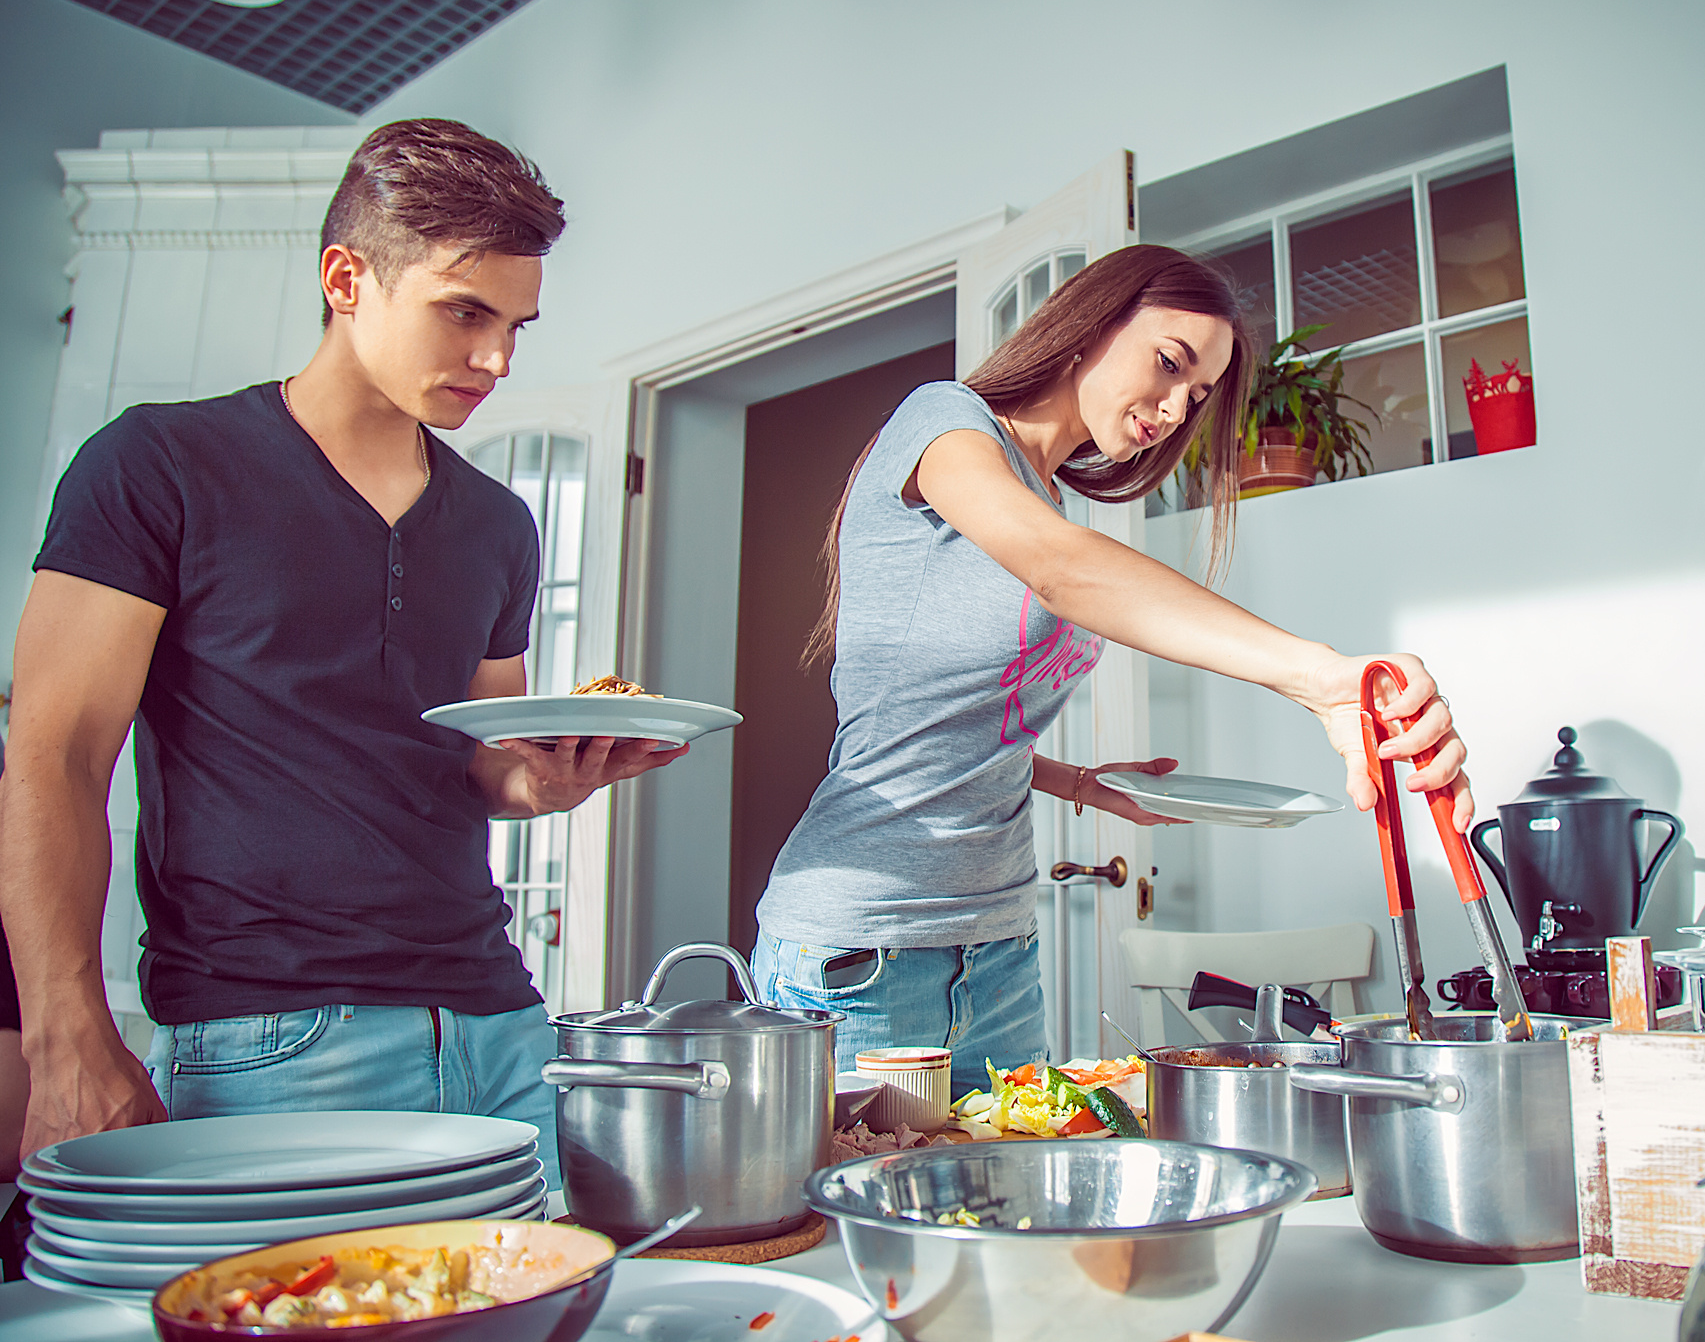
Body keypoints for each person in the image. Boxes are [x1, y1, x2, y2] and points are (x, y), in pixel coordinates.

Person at [0, 119, 683, 1180]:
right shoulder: (158, 464)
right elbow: (55, 757)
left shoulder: (501, 525)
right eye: (464, 312)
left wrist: (545, 781)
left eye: (516, 324)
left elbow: (478, 756)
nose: (496, 358)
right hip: (269, 1041)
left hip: (501, 1026)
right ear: (346, 277)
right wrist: (62, 1032)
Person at [752, 244, 1471, 1094]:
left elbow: (949, 723)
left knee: (1004, 1211)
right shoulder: (945, 424)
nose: (1173, 408)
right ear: (1092, 322)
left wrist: (1085, 783)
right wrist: (1317, 676)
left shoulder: (1049, 497)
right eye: (1169, 363)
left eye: (1197, 395)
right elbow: (1062, 567)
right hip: (862, 949)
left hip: (1001, 948)